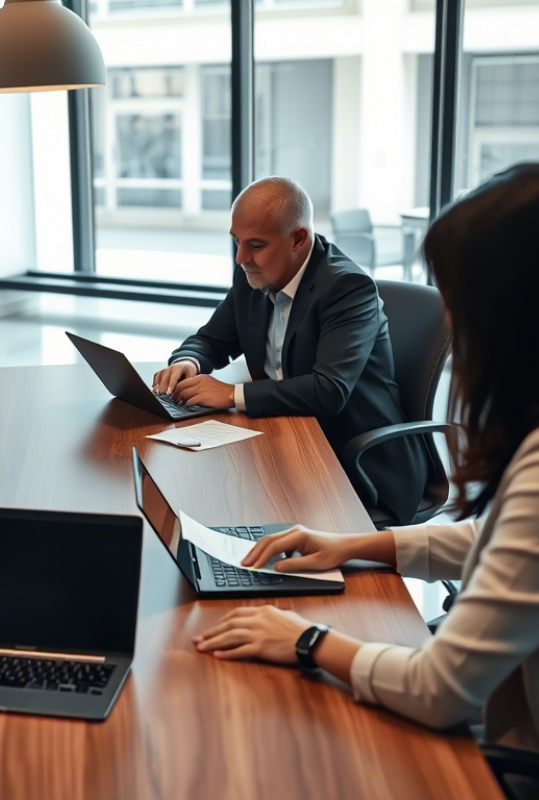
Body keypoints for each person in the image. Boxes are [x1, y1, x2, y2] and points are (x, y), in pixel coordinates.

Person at [192, 163, 539, 754]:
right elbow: (505, 538)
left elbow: (438, 688)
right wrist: (357, 545)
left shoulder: (345, 287)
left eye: (462, 300)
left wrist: (305, 640)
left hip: (515, 733)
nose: (453, 321)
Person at [153, 176, 428, 525]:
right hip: (287, 437)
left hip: (353, 460)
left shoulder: (347, 288)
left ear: (299, 238)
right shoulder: (253, 276)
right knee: (208, 492)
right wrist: (188, 361)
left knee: (234, 505)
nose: (241, 258)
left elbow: (329, 391)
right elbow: (211, 339)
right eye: (236, 242)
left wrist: (231, 394)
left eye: (255, 245)